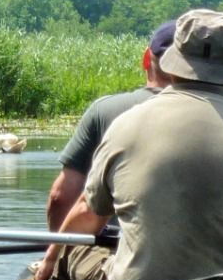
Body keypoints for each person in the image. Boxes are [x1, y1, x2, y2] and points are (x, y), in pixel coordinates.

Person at [32, 9, 223, 280]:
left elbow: (89, 215)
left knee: (72, 255)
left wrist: (51, 259)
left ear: (174, 62)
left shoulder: (127, 125)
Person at [43, 18, 177, 228]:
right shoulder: (217, 118)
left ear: (145, 59)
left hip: (115, 252)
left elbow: (60, 198)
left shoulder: (104, 111)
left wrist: (55, 256)